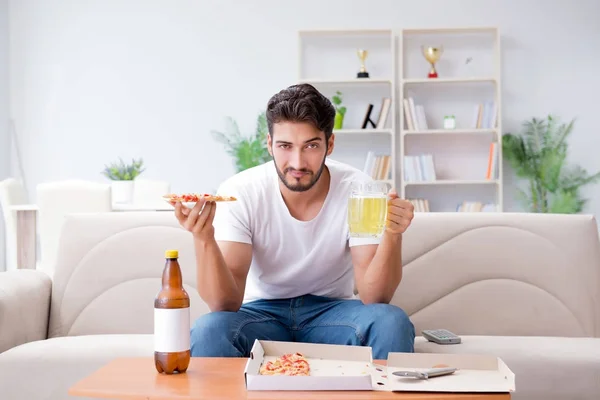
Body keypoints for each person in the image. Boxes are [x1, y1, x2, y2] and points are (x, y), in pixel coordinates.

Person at [173, 83, 416, 360]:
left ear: (330, 144)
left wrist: (393, 235)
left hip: (332, 313)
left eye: (311, 146)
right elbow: (224, 303)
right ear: (269, 144)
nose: (297, 163)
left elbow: (375, 297)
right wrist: (204, 239)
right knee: (209, 329)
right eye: (285, 146)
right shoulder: (241, 190)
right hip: (261, 315)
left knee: (391, 321)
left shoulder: (358, 189)